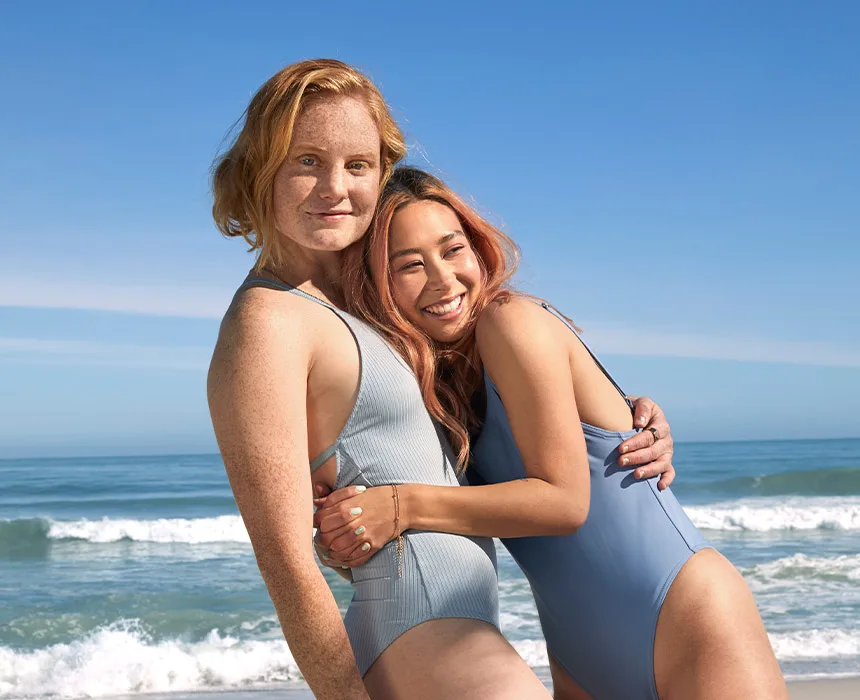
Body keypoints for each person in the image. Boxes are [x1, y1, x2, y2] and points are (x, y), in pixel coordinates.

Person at [208, 59, 682, 700]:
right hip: (418, 631)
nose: (334, 188)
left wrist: (619, 418)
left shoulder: (353, 304)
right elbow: (287, 561)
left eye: (357, 165)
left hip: (454, 628)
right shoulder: (266, 321)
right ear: (260, 168)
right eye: (306, 161)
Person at [314, 166, 789, 700]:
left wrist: (399, 506)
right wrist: (346, 534)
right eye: (410, 266)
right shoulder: (432, 391)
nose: (444, 279)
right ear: (376, 285)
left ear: (477, 250)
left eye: (452, 250)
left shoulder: (510, 321)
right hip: (578, 657)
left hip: (689, 617)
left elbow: (564, 502)